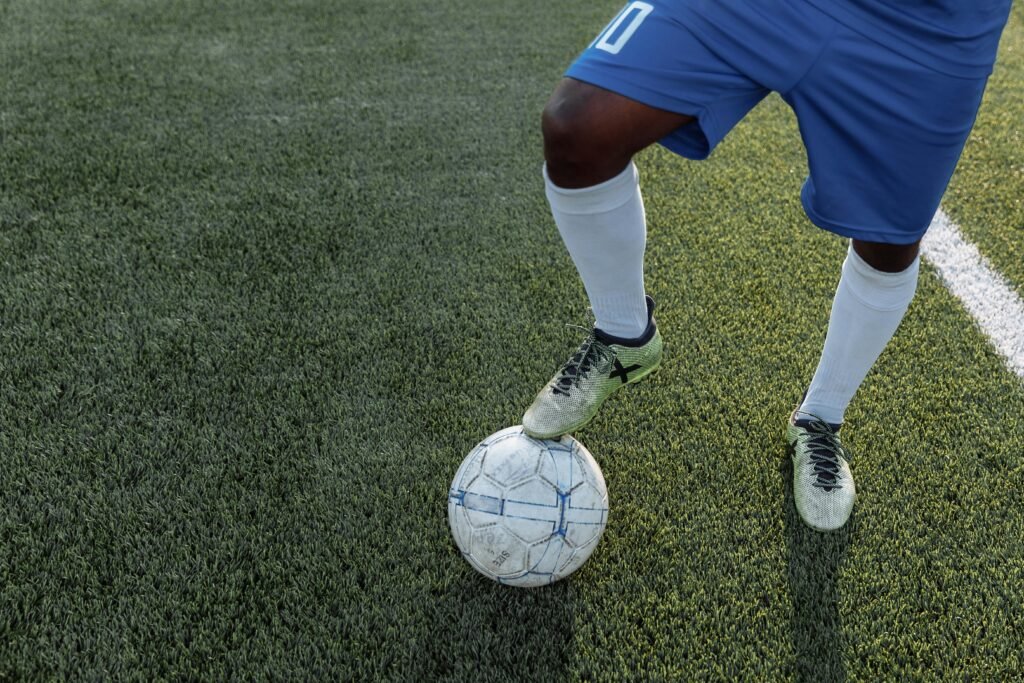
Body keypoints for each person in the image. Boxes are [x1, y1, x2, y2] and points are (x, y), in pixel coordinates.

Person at [520, 0, 1014, 531]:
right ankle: (622, 334)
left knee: (889, 241)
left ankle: (819, 418)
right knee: (579, 125)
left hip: (927, 26)